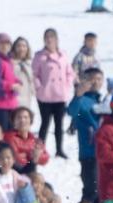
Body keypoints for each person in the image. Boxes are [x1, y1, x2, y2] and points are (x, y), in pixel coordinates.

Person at [68, 67, 106, 203]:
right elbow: (71, 111)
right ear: (85, 81)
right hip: (89, 154)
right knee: (91, 192)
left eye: (99, 79)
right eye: (92, 79)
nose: (96, 82)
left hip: (105, 156)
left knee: (101, 194)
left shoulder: (102, 100)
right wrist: (78, 95)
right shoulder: (83, 100)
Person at [32, 28, 75, 159]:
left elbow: (70, 72)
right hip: (45, 95)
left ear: (56, 40)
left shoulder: (63, 55)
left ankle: (59, 149)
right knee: (45, 123)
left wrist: (67, 85)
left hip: (60, 95)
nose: (49, 40)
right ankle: (40, 150)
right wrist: (39, 87)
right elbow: (34, 74)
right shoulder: (40, 56)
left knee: (59, 124)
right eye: (47, 38)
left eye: (52, 38)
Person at [0, 33, 20, 131]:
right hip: (0, 102)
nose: (5, 46)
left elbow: (11, 77)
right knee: (3, 132)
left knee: (12, 132)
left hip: (10, 101)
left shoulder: (7, 60)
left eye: (7, 43)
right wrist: (11, 86)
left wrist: (18, 82)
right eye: (1, 43)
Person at [4, 107, 49, 175]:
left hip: (31, 172)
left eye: (26, 117)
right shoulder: (8, 137)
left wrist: (37, 156)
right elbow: (17, 159)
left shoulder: (36, 140)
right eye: (19, 117)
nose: (22, 120)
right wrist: (32, 156)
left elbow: (45, 158)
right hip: (14, 173)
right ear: (13, 121)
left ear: (30, 121)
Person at [10, 37, 36, 112]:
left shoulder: (31, 63)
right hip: (12, 100)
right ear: (14, 48)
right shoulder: (9, 63)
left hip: (27, 100)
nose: (21, 49)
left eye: (24, 46)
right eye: (19, 46)